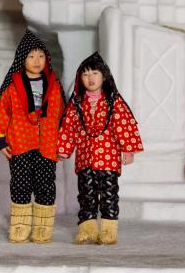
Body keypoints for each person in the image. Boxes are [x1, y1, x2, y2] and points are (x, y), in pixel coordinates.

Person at [0, 29, 65, 243]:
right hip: (20, 143)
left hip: (47, 144)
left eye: (40, 56)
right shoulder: (12, 87)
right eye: (31, 56)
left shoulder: (54, 86)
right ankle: (20, 226)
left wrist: (64, 142)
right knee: (20, 184)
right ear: (23, 59)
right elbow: (2, 112)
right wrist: (1, 139)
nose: (37, 60)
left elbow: (61, 116)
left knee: (46, 184)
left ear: (46, 59)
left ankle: (42, 228)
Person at [58, 52, 143, 245]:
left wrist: (127, 149)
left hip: (108, 158)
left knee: (108, 194)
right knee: (86, 194)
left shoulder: (114, 102)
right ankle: (87, 229)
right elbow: (68, 127)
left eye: (94, 73)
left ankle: (108, 231)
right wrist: (64, 148)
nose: (90, 78)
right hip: (85, 158)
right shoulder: (76, 103)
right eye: (85, 74)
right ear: (80, 78)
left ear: (104, 76)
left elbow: (124, 124)